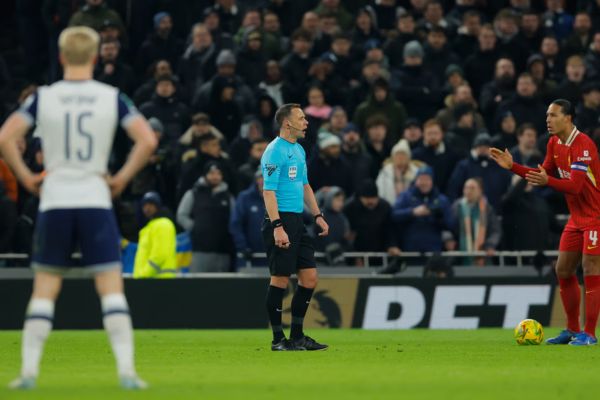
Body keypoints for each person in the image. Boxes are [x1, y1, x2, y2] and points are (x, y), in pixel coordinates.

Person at [0, 27, 156, 389]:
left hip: (55, 199)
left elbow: (6, 136)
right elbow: (147, 140)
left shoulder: (43, 98)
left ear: (60, 56)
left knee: (45, 289)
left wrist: (26, 176)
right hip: (94, 199)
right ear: (96, 57)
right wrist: (120, 179)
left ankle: (28, 373)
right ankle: (127, 372)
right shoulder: (111, 97)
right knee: (111, 289)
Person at [490, 99, 600, 346]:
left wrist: (547, 181)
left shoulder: (583, 145)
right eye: (547, 115)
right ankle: (572, 329)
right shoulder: (553, 143)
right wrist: (513, 167)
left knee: (591, 268)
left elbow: (574, 185)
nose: (548, 120)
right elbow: (542, 173)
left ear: (568, 118)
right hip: (577, 218)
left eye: (553, 115)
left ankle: (590, 333)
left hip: (596, 216)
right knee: (562, 269)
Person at [260, 103, 329, 351]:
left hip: (297, 220)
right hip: (280, 220)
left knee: (309, 278)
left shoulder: (299, 150)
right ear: (287, 123)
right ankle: (278, 339)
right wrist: (277, 226)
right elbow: (268, 192)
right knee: (279, 280)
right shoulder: (274, 151)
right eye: (301, 118)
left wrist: (318, 215)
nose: (306, 122)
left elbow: (305, 186)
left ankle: (297, 336)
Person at [133, 192, 177, 279]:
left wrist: (144, 274)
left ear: (157, 206)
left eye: (151, 204)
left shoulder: (163, 224)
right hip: (149, 280)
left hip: (158, 280)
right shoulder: (148, 227)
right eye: (144, 205)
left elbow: (160, 255)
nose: (147, 208)